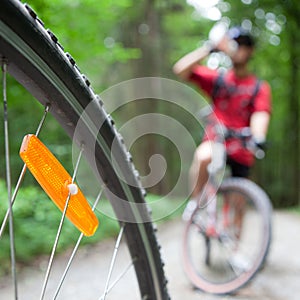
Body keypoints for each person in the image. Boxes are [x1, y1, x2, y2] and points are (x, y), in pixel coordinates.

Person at [173, 26, 272, 209]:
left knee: (238, 204)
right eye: (236, 44)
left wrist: (258, 137)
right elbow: (180, 69)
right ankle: (196, 206)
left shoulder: (259, 87)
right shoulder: (219, 79)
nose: (239, 49)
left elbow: (261, 113)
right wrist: (211, 47)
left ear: (250, 51)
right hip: (216, 141)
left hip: (242, 147)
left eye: (244, 45)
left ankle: (233, 233)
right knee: (203, 156)